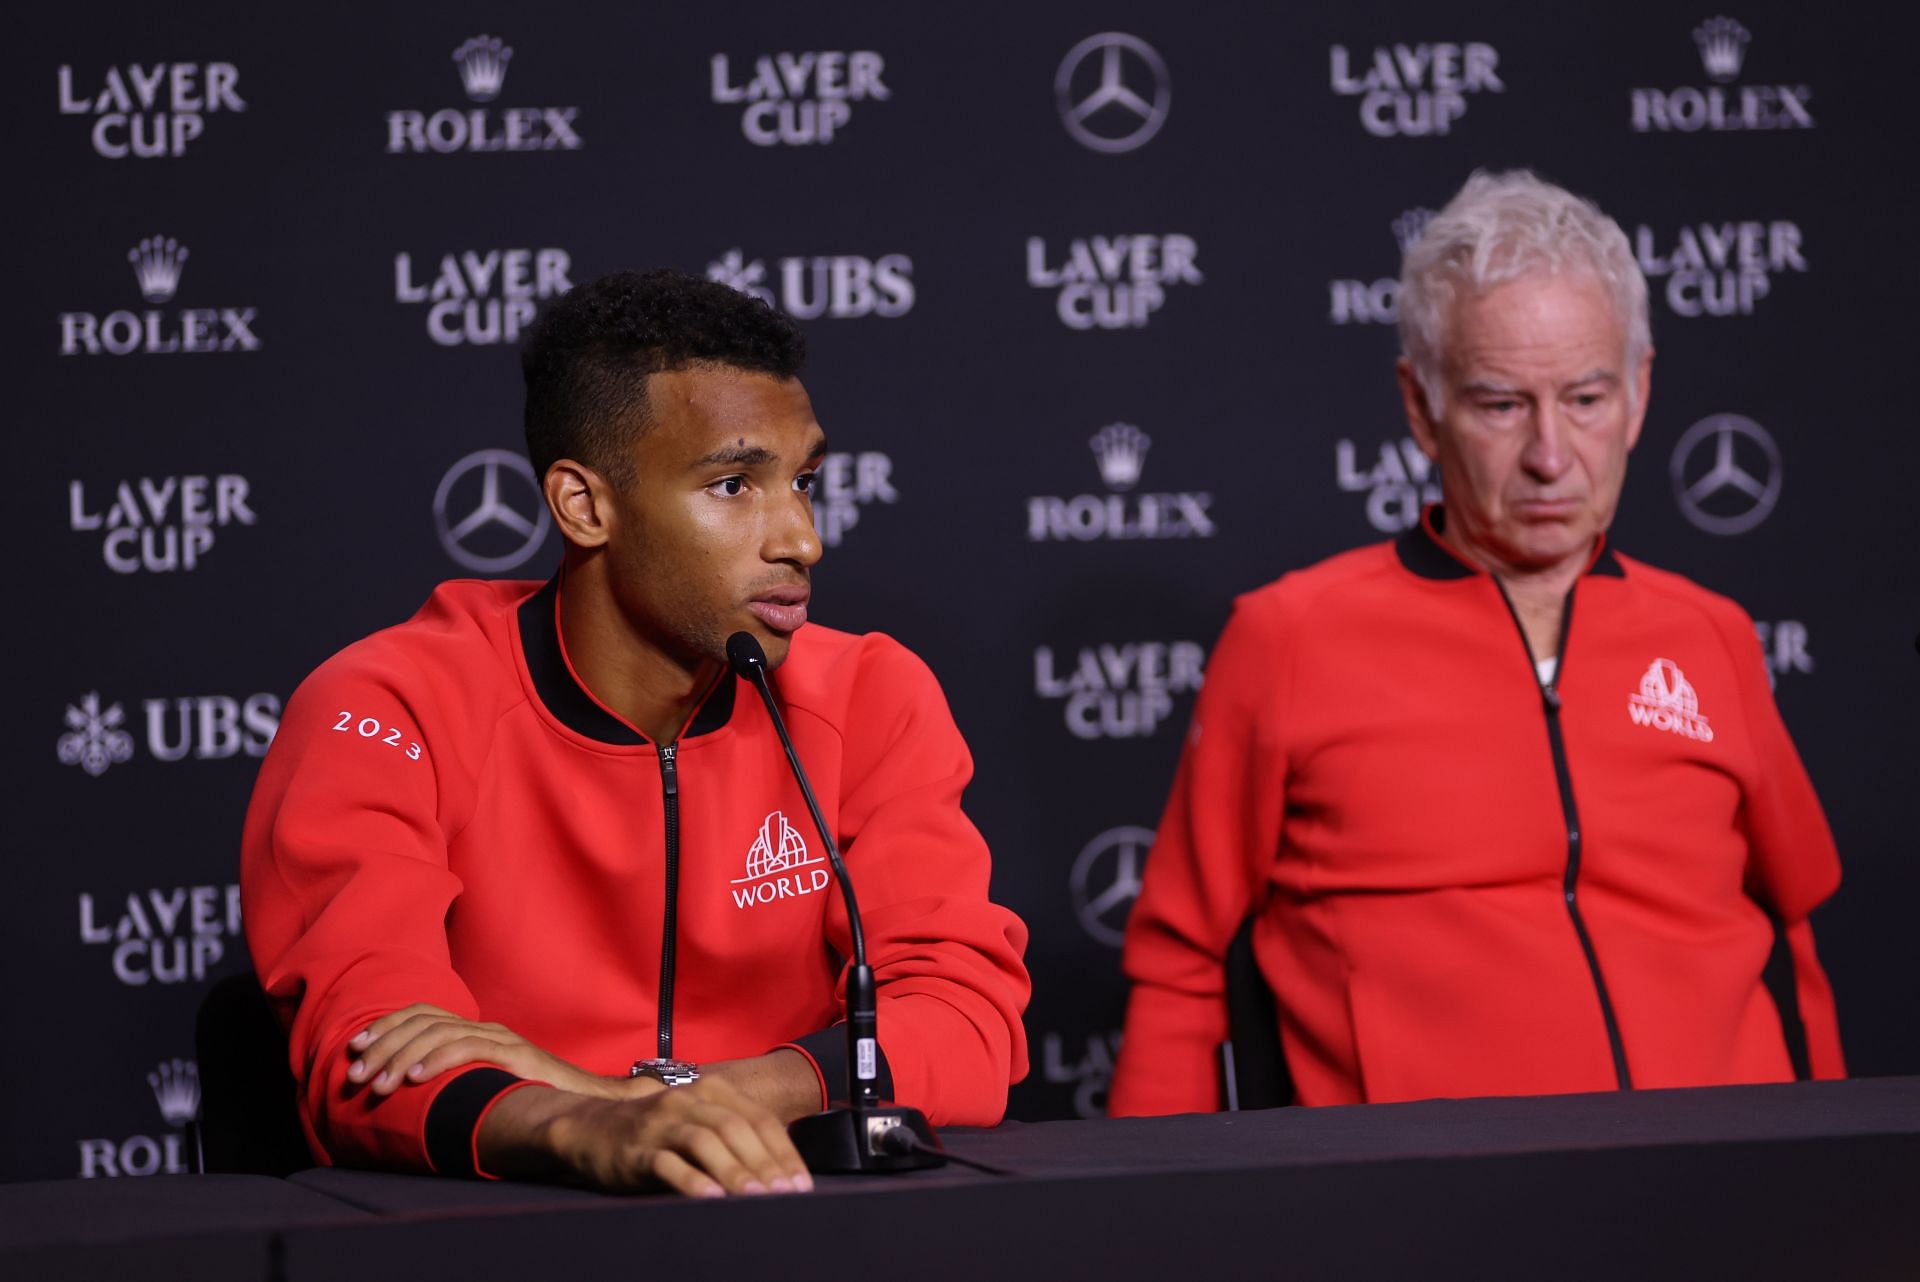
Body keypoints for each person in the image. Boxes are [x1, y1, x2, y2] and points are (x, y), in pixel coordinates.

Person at [241, 269, 1030, 1195]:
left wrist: (646, 1096)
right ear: (585, 506)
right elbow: (369, 1058)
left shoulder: (871, 695)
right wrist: (587, 1128)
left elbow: (965, 1024)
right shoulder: (390, 706)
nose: (802, 539)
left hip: (793, 1224)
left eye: (804, 481)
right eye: (734, 484)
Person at [1109, 170, 1842, 1115]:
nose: (1549, 454)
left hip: (1723, 1205)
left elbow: (1799, 941)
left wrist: (1834, 1179)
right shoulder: (1291, 637)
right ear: (1422, 407)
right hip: (1421, 1215)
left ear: (1640, 390)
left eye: (1585, 398)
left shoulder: (1712, 636)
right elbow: (1182, 966)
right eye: (1502, 404)